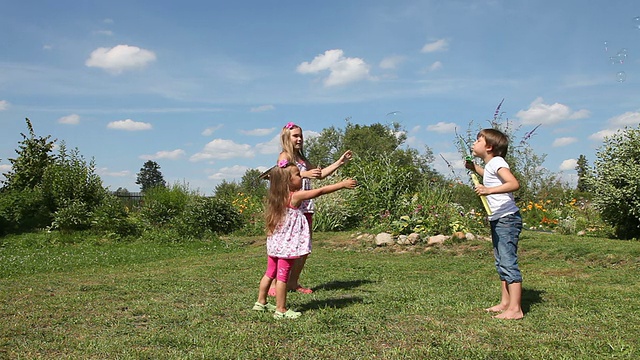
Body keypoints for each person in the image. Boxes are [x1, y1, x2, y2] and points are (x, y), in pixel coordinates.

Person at [253, 160, 357, 319]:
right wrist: (342, 184)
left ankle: (261, 302)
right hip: (286, 247)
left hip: (274, 245)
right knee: (282, 277)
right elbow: (320, 191)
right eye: (297, 175)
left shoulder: (276, 199)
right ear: (287, 181)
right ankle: (280, 309)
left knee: (270, 273)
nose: (301, 177)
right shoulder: (295, 196)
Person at [268, 121, 353, 296]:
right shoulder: (284, 157)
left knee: (304, 248)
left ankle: (292, 282)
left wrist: (339, 162)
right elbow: (281, 177)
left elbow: (319, 175)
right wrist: (304, 174)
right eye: (295, 136)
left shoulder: (302, 159)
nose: (299, 139)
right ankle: (275, 284)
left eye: (301, 136)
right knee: (285, 247)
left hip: (306, 207)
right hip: (291, 207)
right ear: (286, 138)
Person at [465, 128, 523, 320]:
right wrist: (475, 169)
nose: (474, 143)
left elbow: (513, 184)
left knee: (508, 261)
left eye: (478, 140)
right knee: (501, 261)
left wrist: (488, 190)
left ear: (489, 147)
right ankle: (505, 303)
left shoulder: (498, 162)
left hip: (507, 218)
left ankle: (515, 309)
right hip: (499, 218)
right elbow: (488, 174)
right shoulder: (490, 164)